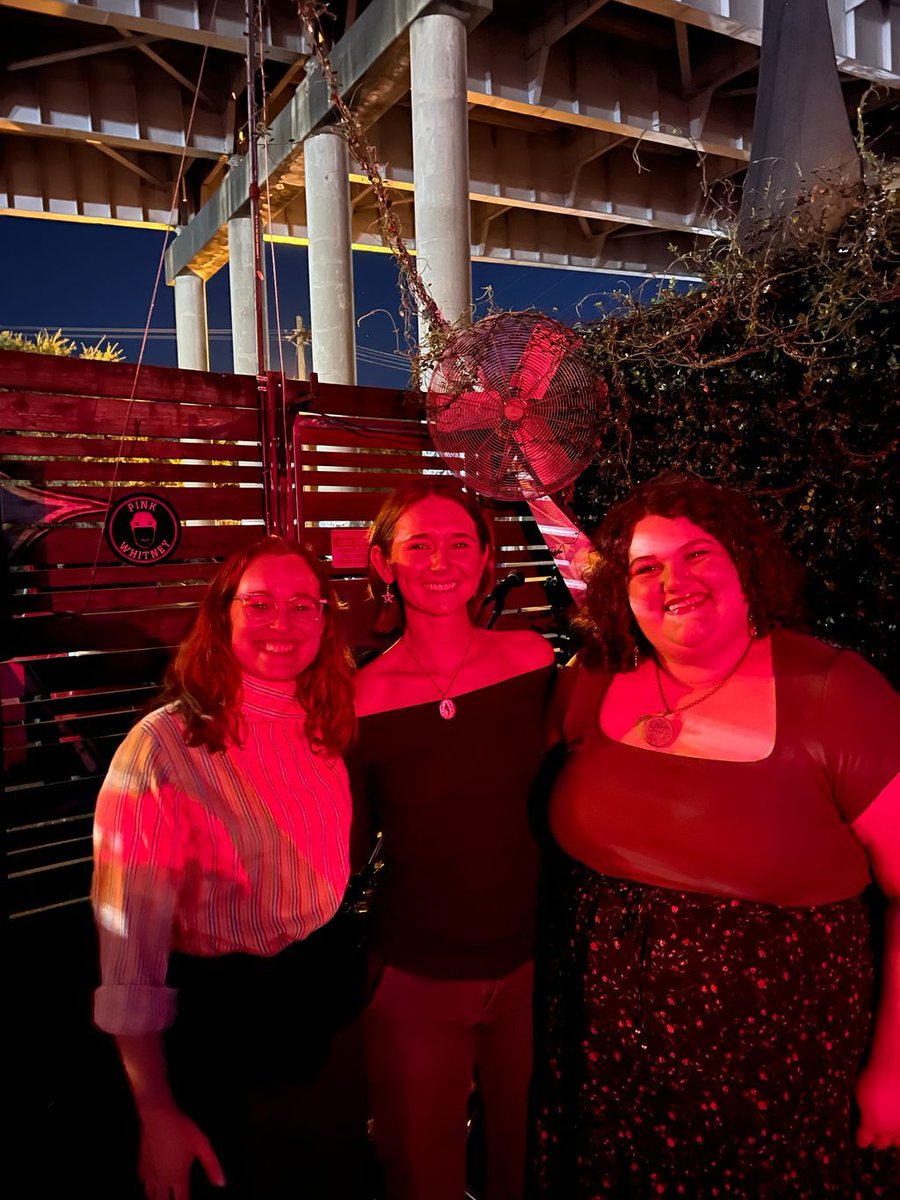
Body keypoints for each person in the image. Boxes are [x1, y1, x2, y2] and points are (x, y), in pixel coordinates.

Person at [531, 474, 900, 1198]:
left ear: (745, 566)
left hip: (779, 1081)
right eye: (645, 568)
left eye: (698, 556)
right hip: (603, 1063)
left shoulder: (838, 694)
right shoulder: (590, 683)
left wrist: (894, 1067)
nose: (674, 581)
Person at [92, 536, 367, 1200]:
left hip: (324, 1014)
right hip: (226, 1036)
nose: (284, 623)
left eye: (304, 605)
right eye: (260, 604)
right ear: (222, 616)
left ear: (325, 621)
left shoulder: (324, 723)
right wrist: (155, 1112)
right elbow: (130, 957)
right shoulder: (162, 747)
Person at [350, 481, 557, 1200]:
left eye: (460, 542)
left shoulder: (532, 661)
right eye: (418, 545)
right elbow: (343, 844)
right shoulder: (358, 699)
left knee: (527, 1164)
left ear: (485, 559)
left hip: (534, 969)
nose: (441, 560)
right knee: (419, 1170)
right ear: (384, 564)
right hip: (414, 979)